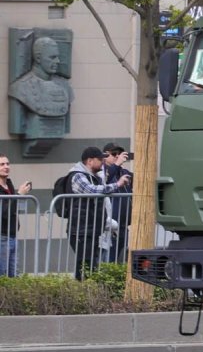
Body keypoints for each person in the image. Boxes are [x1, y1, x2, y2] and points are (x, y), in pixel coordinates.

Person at [66, 146, 128, 280]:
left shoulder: (95, 176)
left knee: (89, 264)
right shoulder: (78, 175)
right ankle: (84, 289)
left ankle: (86, 289)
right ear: (90, 161)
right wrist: (117, 184)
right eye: (100, 159)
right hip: (80, 230)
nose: (102, 162)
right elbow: (92, 190)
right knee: (85, 264)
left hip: (91, 229)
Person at [8, 36, 74, 141]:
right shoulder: (20, 87)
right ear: (38, 58)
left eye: (57, 57)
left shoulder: (65, 86)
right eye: (52, 57)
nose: (57, 61)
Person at [0, 157, 33, 277]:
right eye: (2, 164)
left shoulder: (9, 184)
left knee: (13, 274)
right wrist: (19, 194)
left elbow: (12, 207)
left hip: (12, 234)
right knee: (3, 274)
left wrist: (19, 195)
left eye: (7, 163)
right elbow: (4, 212)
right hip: (2, 236)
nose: (6, 166)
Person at [101, 143, 133, 262]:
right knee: (108, 258)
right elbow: (104, 180)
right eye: (114, 154)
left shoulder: (124, 172)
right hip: (110, 225)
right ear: (105, 155)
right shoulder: (102, 171)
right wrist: (116, 164)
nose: (117, 156)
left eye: (120, 154)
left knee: (120, 258)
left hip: (123, 224)